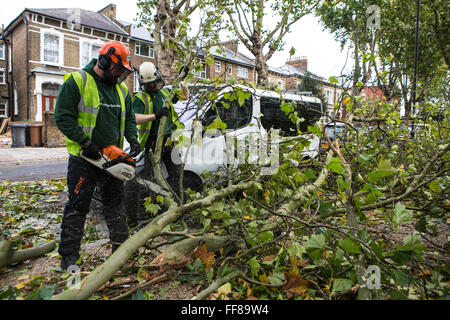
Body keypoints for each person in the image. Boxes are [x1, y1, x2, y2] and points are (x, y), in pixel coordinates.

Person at [54, 41, 141, 270]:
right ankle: (69, 257)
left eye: (123, 71)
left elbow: (130, 118)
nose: (120, 75)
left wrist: (133, 139)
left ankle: (120, 252)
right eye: (118, 70)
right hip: (84, 158)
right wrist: (84, 141)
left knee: (115, 204)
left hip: (112, 159)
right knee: (77, 206)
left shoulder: (122, 90)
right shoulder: (78, 82)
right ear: (104, 62)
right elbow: (62, 116)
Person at [124, 62, 186, 228]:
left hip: (169, 142)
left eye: (154, 82)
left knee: (177, 176)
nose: (152, 86)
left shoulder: (165, 91)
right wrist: (155, 116)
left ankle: (178, 211)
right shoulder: (140, 98)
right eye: (149, 84)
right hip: (152, 144)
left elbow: (182, 95)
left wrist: (182, 78)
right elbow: (133, 117)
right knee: (147, 182)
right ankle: (142, 218)